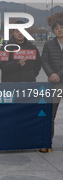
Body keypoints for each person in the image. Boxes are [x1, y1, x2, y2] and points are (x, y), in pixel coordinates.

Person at [41, 20, 63, 153]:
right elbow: (44, 60)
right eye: (57, 28)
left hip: (57, 77)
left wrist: (57, 73)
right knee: (51, 112)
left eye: (62, 27)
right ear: (53, 31)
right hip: (56, 83)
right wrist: (50, 73)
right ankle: (47, 142)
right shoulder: (48, 44)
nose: (60, 29)